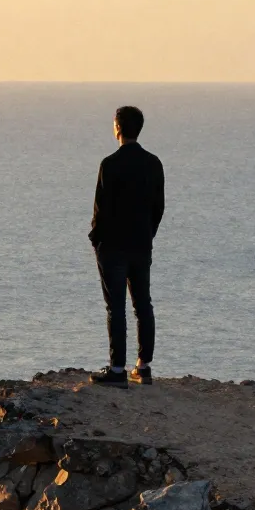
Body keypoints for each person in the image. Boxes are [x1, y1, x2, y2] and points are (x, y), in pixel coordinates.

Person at [88, 105, 164, 384]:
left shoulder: (110, 164)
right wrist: (148, 235)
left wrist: (95, 239)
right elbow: (159, 207)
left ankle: (117, 369)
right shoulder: (154, 163)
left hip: (113, 246)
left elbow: (101, 209)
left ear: (118, 128)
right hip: (141, 244)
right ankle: (143, 367)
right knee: (142, 303)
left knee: (116, 307)